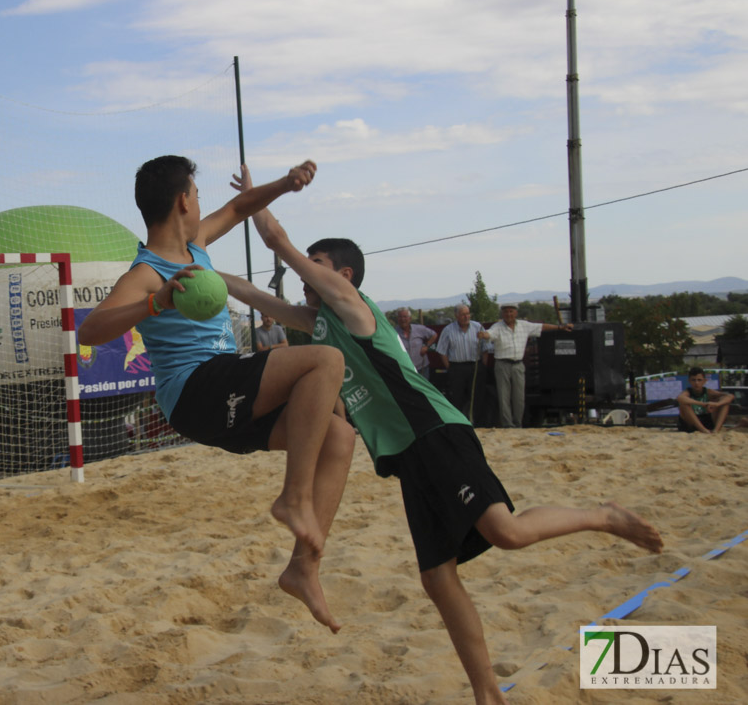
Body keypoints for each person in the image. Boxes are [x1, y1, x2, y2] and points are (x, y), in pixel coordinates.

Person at [223, 207, 663, 705]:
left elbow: (280, 242)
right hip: (407, 457)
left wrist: (257, 199)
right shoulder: (319, 324)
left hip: (435, 432)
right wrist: (196, 268)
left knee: (507, 532)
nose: (306, 269)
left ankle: (604, 516)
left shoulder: (352, 306)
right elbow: (255, 295)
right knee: (436, 577)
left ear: (342, 275)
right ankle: (487, 693)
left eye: (317, 262)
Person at [78, 157, 356, 632]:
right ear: (184, 200)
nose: (203, 203)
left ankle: (302, 569)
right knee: (326, 360)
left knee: (339, 436)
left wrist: (286, 184)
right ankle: (294, 498)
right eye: (197, 193)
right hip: (195, 390)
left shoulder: (197, 244)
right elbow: (90, 330)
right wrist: (155, 302)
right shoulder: (146, 272)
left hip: (223, 392)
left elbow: (242, 205)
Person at [477, 304, 571, 428]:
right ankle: (507, 424)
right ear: (502, 314)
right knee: (504, 396)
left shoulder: (524, 325)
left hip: (518, 365)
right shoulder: (498, 327)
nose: (508, 314)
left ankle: (517, 423)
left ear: (515, 313)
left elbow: (541, 327)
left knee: (519, 397)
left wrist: (559, 327)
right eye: (506, 312)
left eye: (511, 311)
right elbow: (490, 333)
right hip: (502, 364)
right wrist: (483, 335)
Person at [436, 304, 488, 419]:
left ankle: (478, 423)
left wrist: (483, 365)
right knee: (457, 398)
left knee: (477, 396)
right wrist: (450, 368)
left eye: (468, 313)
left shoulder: (477, 327)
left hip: (475, 367)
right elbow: (441, 351)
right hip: (457, 368)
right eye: (463, 314)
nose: (466, 316)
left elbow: (485, 348)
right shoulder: (448, 330)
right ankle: (459, 423)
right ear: (456, 316)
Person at [676, 367, 733, 433]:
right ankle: (703, 430)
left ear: (704, 381)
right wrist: (703, 404)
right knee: (683, 404)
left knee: (724, 402)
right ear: (689, 381)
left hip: (707, 420)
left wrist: (717, 404)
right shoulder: (687, 392)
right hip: (691, 423)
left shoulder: (708, 392)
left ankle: (716, 430)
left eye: (699, 380)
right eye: (693, 380)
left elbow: (730, 396)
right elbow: (680, 398)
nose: (696, 383)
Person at [395, 307, 437, 378]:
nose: (402, 319)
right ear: (397, 319)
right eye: (400, 317)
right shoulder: (393, 332)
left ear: (410, 318)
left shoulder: (419, 329)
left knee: (423, 389)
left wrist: (426, 346)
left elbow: (434, 335)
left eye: (405, 317)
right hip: (405, 370)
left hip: (422, 368)